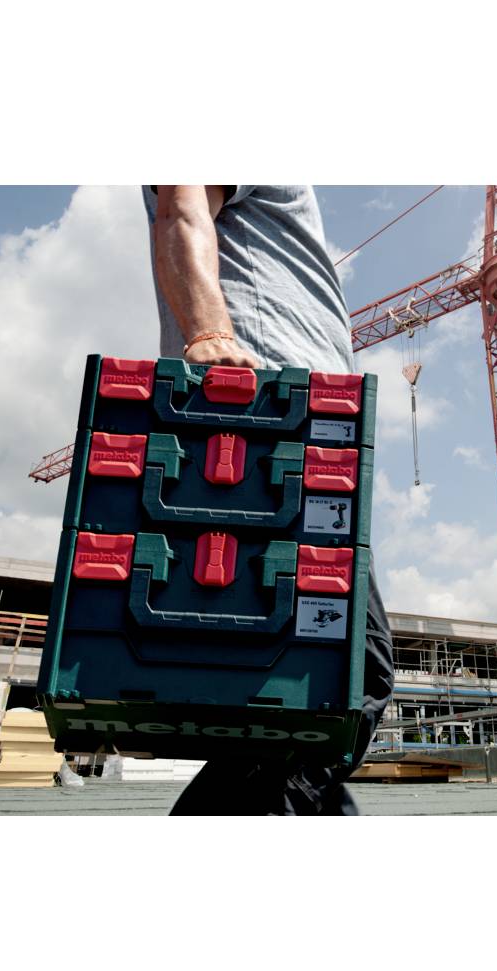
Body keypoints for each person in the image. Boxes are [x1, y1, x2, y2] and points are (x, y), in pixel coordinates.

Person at [141, 185, 394, 815]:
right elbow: (181, 199)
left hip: (303, 430)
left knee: (314, 686)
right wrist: (208, 331)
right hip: (265, 421)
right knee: (346, 672)